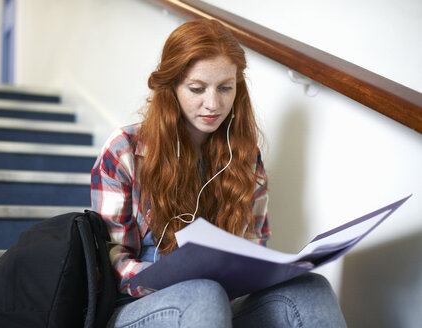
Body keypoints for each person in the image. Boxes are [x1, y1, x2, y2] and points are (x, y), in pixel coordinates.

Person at [91, 19, 347, 328]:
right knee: (203, 293)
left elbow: (254, 247)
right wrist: (184, 278)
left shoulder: (245, 157)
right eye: (197, 89)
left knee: (310, 287)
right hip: (136, 306)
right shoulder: (125, 150)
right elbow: (111, 264)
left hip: (216, 304)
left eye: (225, 88)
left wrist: (267, 269)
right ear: (171, 87)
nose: (213, 104)